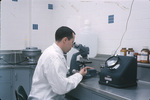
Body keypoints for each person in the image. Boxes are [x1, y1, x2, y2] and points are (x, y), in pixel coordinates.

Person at [28, 26, 92, 100]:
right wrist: (79, 75)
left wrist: (71, 70)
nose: (72, 46)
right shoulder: (54, 57)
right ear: (65, 40)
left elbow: (59, 70)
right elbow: (61, 88)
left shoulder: (53, 52)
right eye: (72, 42)